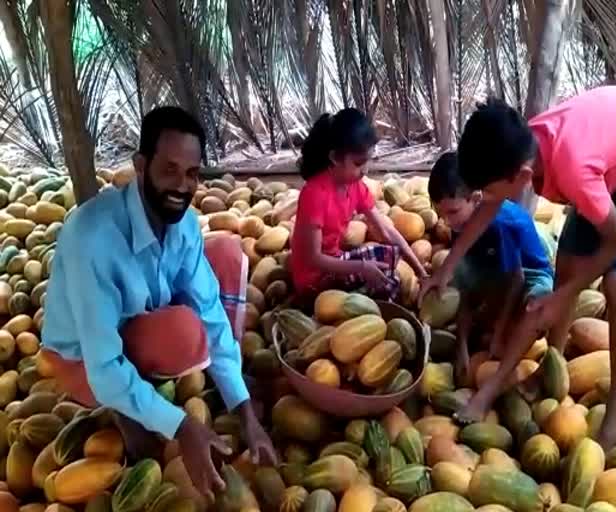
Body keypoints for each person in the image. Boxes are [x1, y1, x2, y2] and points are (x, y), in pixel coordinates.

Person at [420, 86, 616, 448]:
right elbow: (490, 206)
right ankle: (555, 365)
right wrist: (445, 269)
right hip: (611, 162)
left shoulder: (572, 169)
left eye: (490, 190)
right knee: (565, 265)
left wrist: (566, 295)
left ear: (522, 176)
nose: (486, 199)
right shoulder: (519, 148)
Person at [40, 106, 278, 501]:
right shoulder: (92, 237)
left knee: (225, 254)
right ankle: (132, 415)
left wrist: (245, 412)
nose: (182, 186)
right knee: (182, 334)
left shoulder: (181, 222)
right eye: (169, 170)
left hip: (138, 323)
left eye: (191, 174)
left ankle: (169, 392)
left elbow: (212, 314)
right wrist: (182, 426)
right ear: (140, 164)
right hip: (80, 357)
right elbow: (103, 365)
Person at [428, 152, 553, 422]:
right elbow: (465, 283)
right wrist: (460, 346)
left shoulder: (501, 224)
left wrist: (498, 332)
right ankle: (477, 335)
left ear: (475, 199)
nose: (447, 221)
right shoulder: (459, 222)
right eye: (441, 214)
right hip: (496, 270)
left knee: (535, 307)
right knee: (461, 280)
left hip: (530, 273)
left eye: (452, 212)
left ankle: (495, 384)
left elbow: (517, 279)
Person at [291, 108, 427, 302]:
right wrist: (361, 267)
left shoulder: (355, 186)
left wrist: (421, 272)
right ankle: (315, 309)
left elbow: (387, 231)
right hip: (313, 279)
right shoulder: (314, 194)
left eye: (367, 161)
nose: (365, 170)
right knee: (389, 282)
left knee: (388, 261)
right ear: (335, 158)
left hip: (336, 261)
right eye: (358, 163)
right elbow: (314, 258)